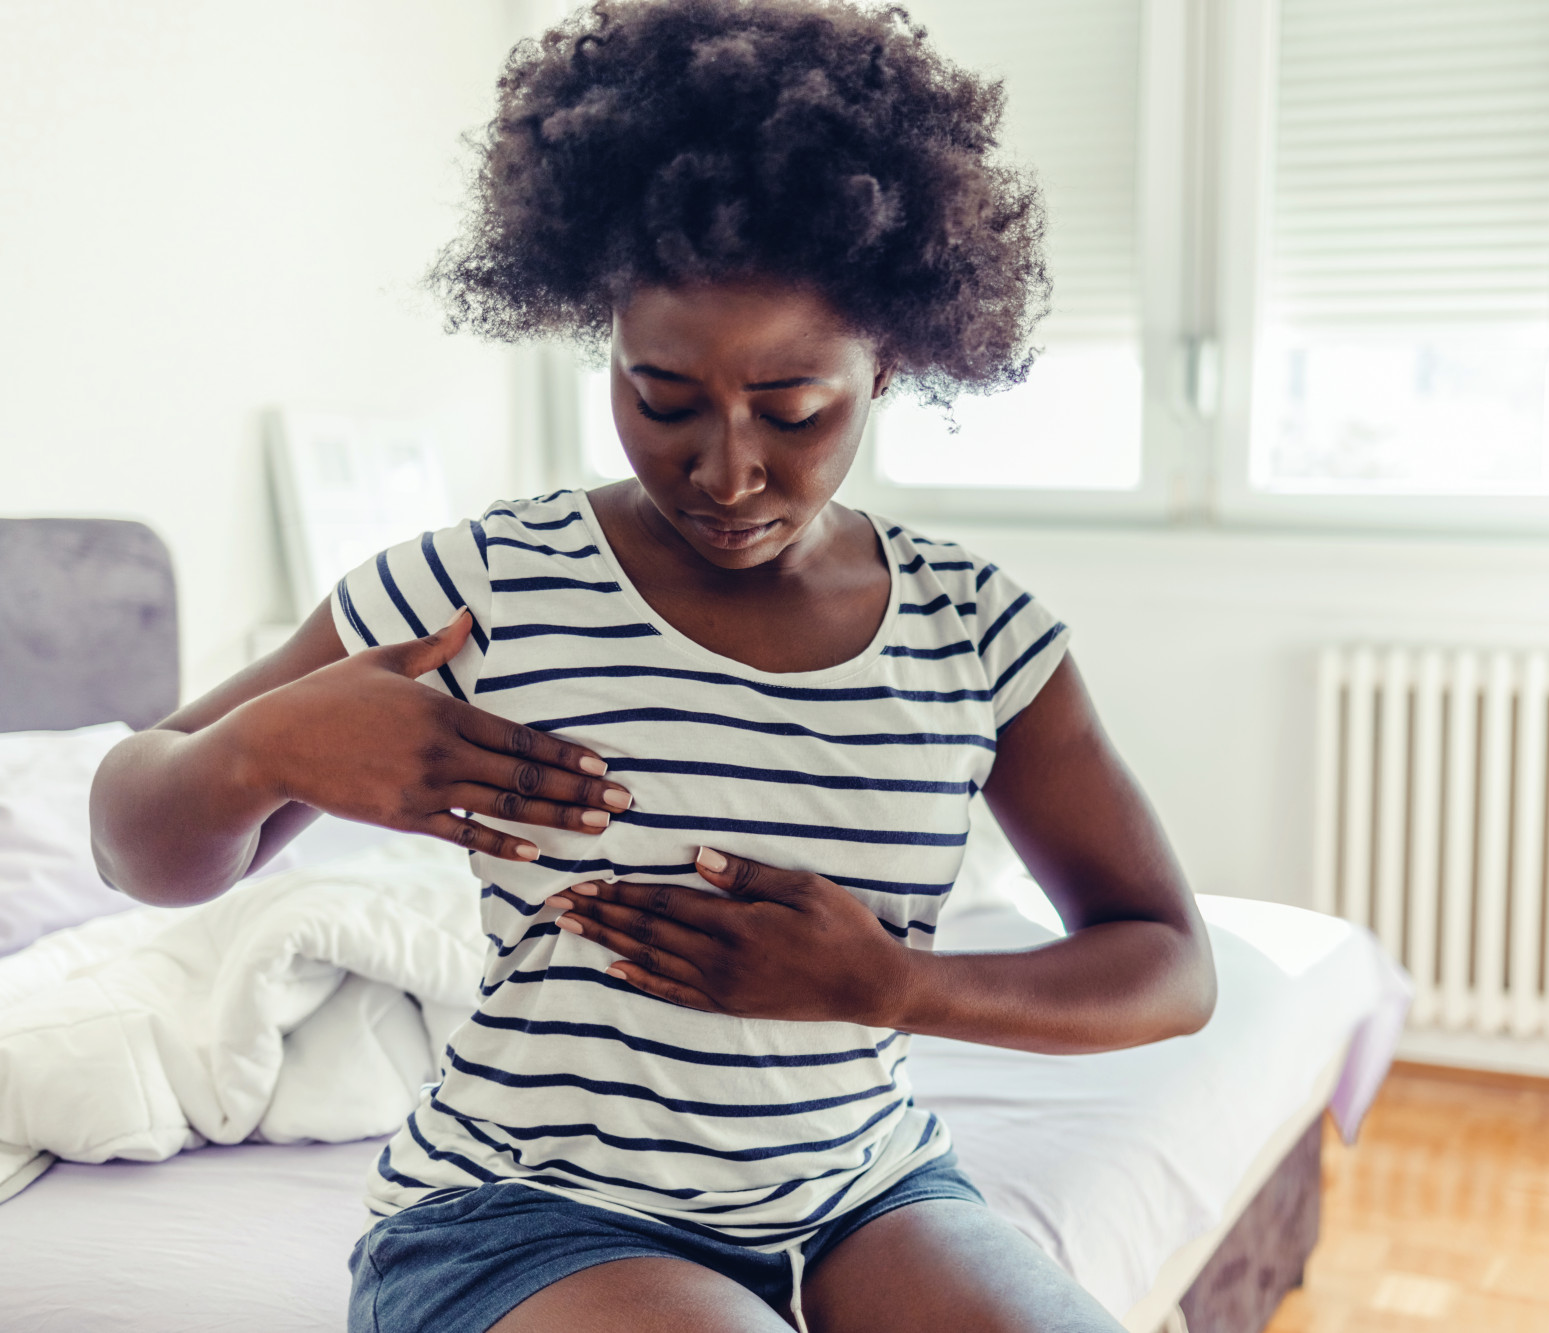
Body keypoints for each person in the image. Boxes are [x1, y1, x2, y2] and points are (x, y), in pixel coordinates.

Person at [88, 2, 1216, 1329]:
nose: (724, 467)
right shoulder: (479, 586)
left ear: (893, 358)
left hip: (866, 1190)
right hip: (523, 1214)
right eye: (661, 397)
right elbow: (132, 838)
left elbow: (1169, 963)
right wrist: (257, 752)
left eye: (794, 410)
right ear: (601, 337)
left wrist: (897, 987)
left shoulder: (979, 632)